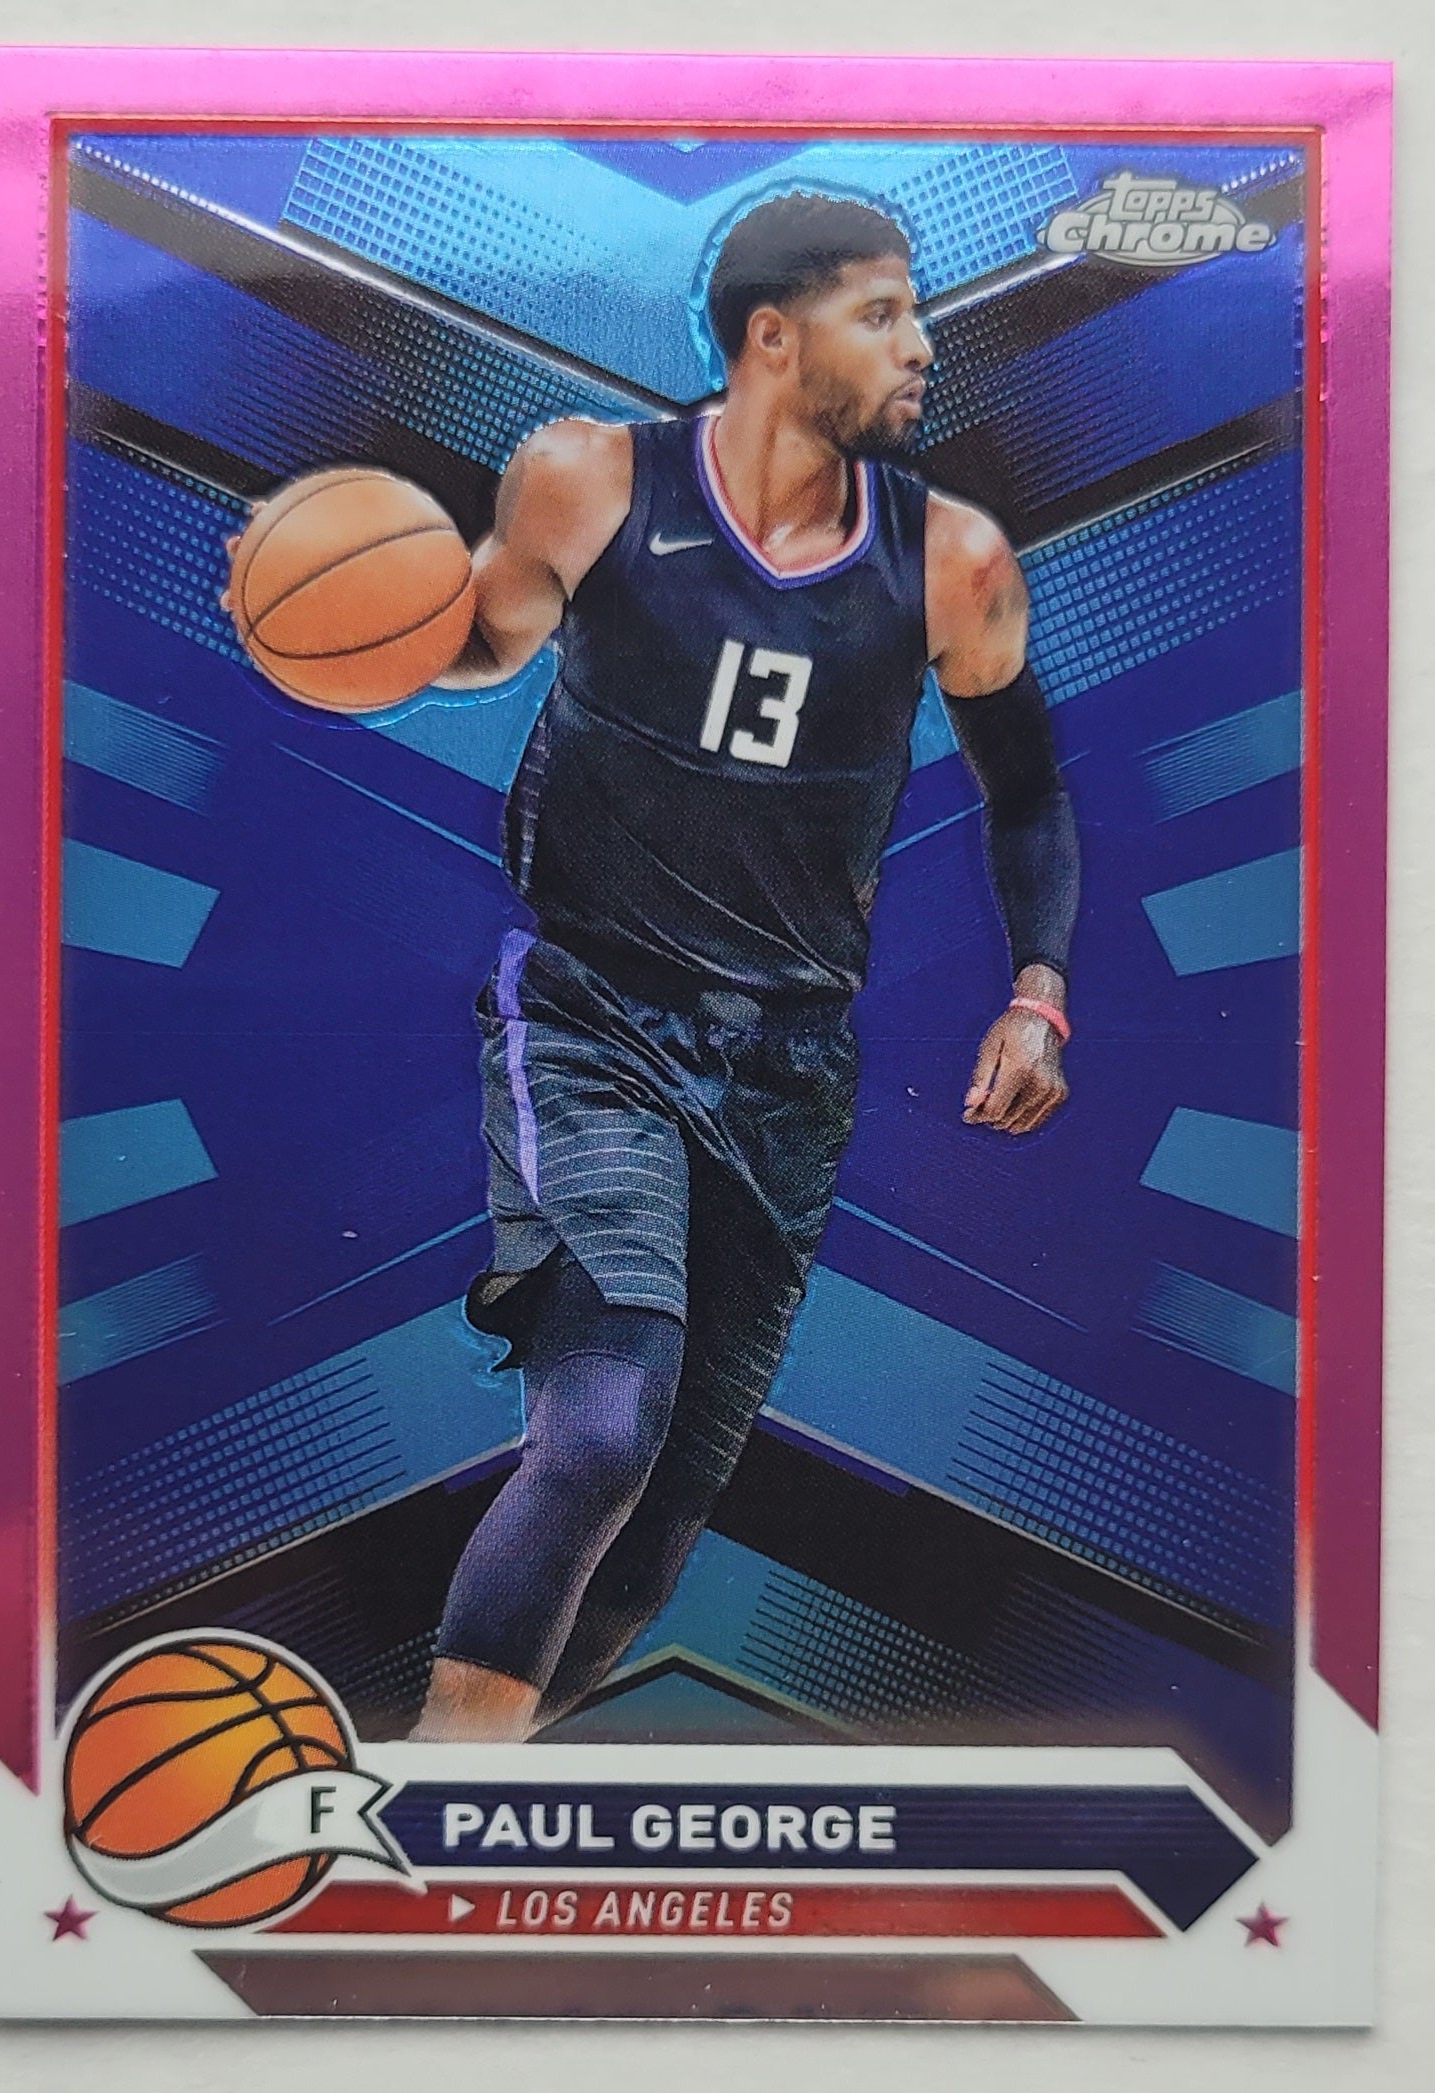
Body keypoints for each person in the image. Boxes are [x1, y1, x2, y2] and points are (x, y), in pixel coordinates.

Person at [409, 191, 1080, 1742]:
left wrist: (1036, 988)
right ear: (773, 336)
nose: (921, 346)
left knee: (649, 1539)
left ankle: (466, 1779)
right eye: (882, 314)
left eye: (917, 313)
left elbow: (1027, 791)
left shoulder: (951, 559)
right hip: (590, 1017)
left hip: (786, 1070)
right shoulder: (590, 477)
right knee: (598, 1430)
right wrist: (346, 613)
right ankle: (423, 1809)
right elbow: (481, 638)